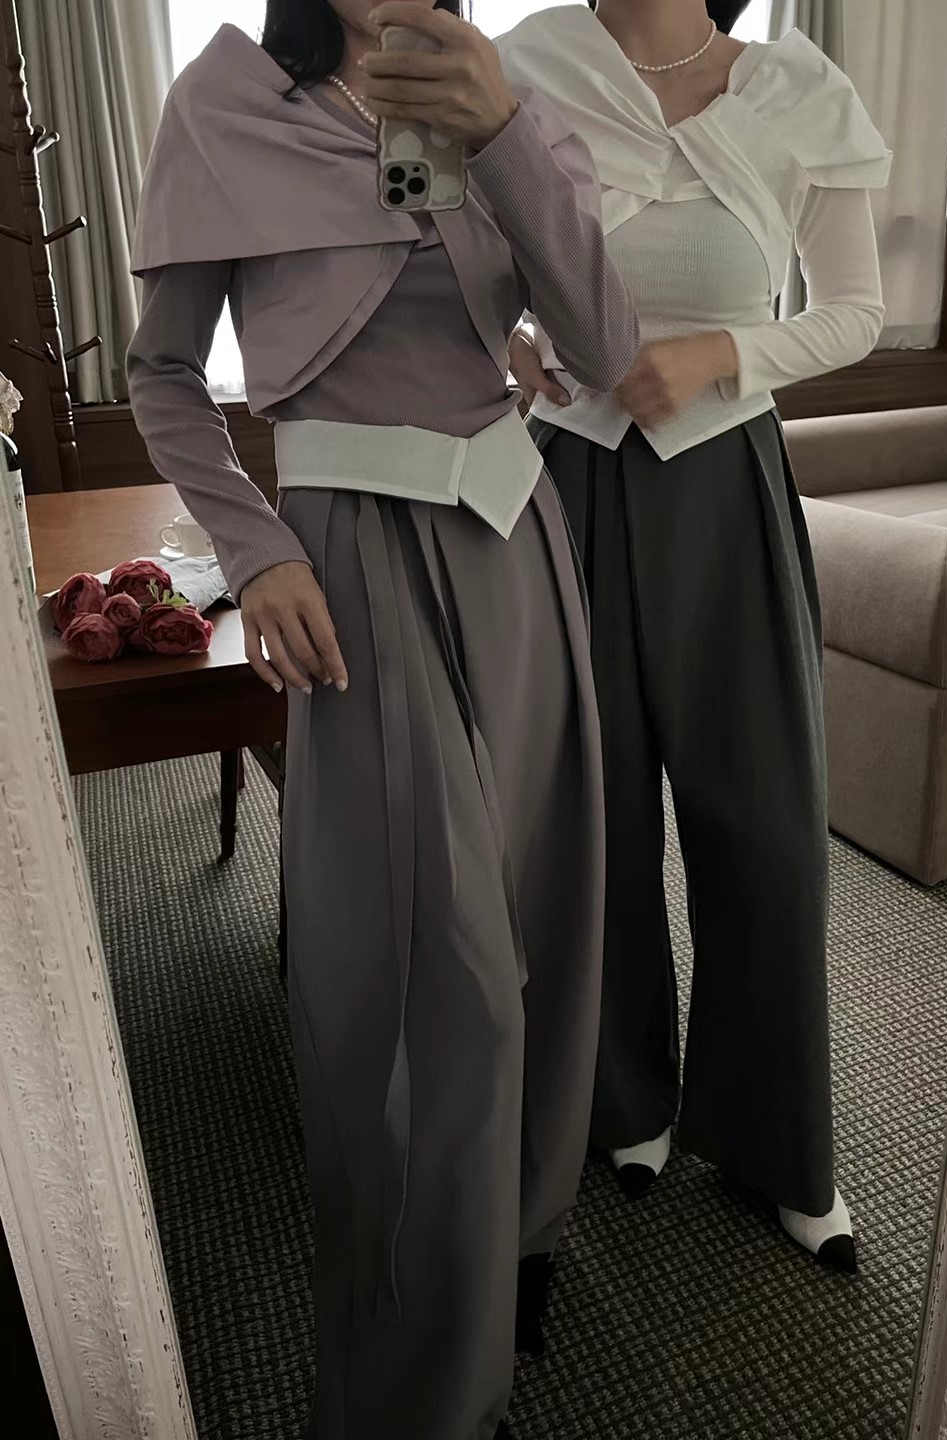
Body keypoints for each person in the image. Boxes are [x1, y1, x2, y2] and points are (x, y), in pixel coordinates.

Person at [127, 2, 639, 1436]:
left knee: (548, 915)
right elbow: (162, 374)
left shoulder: (493, 95)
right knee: (432, 979)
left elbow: (602, 347)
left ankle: (523, 1238)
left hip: (519, 548)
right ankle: (420, 1373)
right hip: (356, 567)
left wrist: (505, 132)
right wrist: (256, 550)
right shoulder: (228, 105)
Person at [499, 0, 891, 1271]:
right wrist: (509, 340)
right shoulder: (527, 68)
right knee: (594, 814)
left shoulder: (796, 93)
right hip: (569, 480)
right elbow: (465, 267)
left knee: (768, 824)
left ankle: (780, 1143)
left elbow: (856, 311)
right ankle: (624, 1102)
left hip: (728, 484)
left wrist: (722, 353)